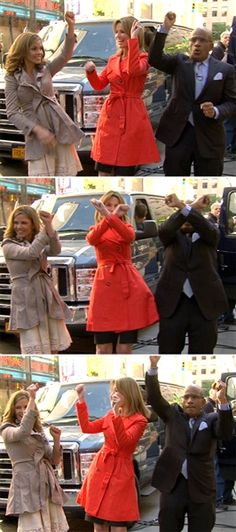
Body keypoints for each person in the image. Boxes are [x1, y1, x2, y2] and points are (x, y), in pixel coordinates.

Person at [145, 355, 234, 532]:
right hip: (172, 486)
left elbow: (225, 432)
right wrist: (153, 367)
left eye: (194, 397)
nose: (189, 400)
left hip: (201, 488)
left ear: (203, 402)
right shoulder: (172, 415)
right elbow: (154, 398)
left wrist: (223, 402)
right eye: (186, 397)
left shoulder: (212, 419)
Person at [148, 12, 236, 176]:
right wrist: (164, 29)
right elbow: (154, 59)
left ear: (211, 46)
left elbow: (232, 103)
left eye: (202, 40)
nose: (196, 44)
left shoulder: (225, 70)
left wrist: (216, 111)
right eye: (193, 40)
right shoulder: (179, 62)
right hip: (178, 135)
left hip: (209, 138)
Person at [4, 11, 84, 176]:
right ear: (23, 51)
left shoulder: (46, 69)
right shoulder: (12, 77)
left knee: (65, 175)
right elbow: (12, 112)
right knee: (40, 175)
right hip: (36, 134)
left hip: (59, 127)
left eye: (41, 48)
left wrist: (70, 26)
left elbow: (65, 55)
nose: (39, 52)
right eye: (34, 49)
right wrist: (37, 130)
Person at [84, 17, 160, 176]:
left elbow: (133, 71)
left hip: (131, 116)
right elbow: (99, 85)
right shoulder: (113, 59)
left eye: (122, 32)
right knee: (103, 169)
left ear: (134, 34)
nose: (118, 36)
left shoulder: (144, 58)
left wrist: (133, 40)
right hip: (110, 116)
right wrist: (90, 72)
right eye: (116, 32)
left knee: (124, 167)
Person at [86, 191, 159, 354]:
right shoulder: (95, 229)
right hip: (104, 287)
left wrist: (108, 214)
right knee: (103, 347)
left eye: (115, 205)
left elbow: (128, 237)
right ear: (100, 209)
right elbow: (92, 239)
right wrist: (108, 216)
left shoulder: (126, 226)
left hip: (127, 284)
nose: (113, 209)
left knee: (125, 346)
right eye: (108, 205)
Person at [154, 193, 228, 353]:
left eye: (190, 216)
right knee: (168, 350)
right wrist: (187, 208)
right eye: (182, 217)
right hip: (173, 304)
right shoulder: (170, 236)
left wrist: (184, 207)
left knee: (203, 351)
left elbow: (207, 228)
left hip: (205, 306)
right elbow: (166, 228)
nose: (186, 220)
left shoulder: (210, 235)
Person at [75, 378, 149, 531]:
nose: (114, 394)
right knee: (99, 524)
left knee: (119, 526)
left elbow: (125, 442)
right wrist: (81, 401)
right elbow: (86, 427)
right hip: (101, 468)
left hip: (121, 472)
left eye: (118, 391)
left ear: (128, 394)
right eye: (113, 391)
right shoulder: (110, 415)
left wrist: (116, 415)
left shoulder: (139, 420)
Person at [1, 205, 72, 354]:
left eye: (24, 223)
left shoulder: (37, 241)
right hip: (25, 297)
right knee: (33, 347)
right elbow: (31, 253)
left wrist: (49, 227)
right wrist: (44, 231)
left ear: (33, 224)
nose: (19, 227)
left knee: (53, 345)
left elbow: (55, 250)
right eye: (16, 222)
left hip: (45, 295)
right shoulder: (8, 245)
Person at [0, 383, 69, 532]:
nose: (22, 411)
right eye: (18, 407)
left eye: (26, 407)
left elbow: (54, 460)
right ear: (12, 409)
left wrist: (56, 440)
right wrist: (32, 398)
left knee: (52, 528)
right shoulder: (6, 429)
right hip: (27, 487)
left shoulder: (37, 429)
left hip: (46, 484)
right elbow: (22, 432)